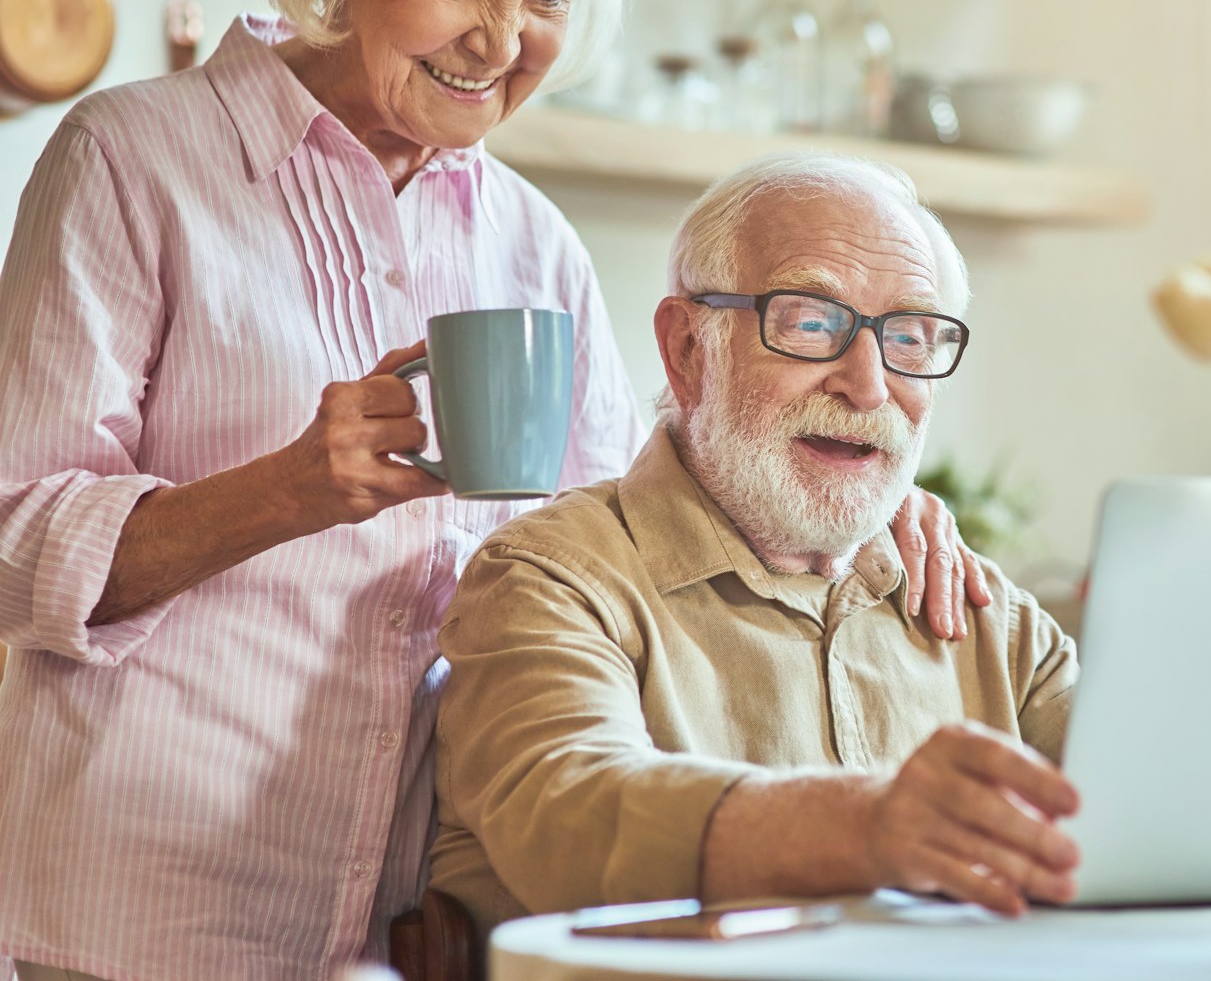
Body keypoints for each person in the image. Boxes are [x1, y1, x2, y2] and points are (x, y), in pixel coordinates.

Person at [0, 0, 979, 981]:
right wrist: (286, 491)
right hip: (143, 908)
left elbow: (620, 547)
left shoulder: (534, 242)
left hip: (420, 929)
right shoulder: (133, 161)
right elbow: (12, 538)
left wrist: (862, 506)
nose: (503, 40)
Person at [429, 156, 1081, 933]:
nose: (868, 385)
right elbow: (573, 811)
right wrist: (865, 824)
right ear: (688, 350)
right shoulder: (550, 577)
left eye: (908, 337)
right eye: (810, 322)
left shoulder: (981, 612)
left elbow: (1159, 802)